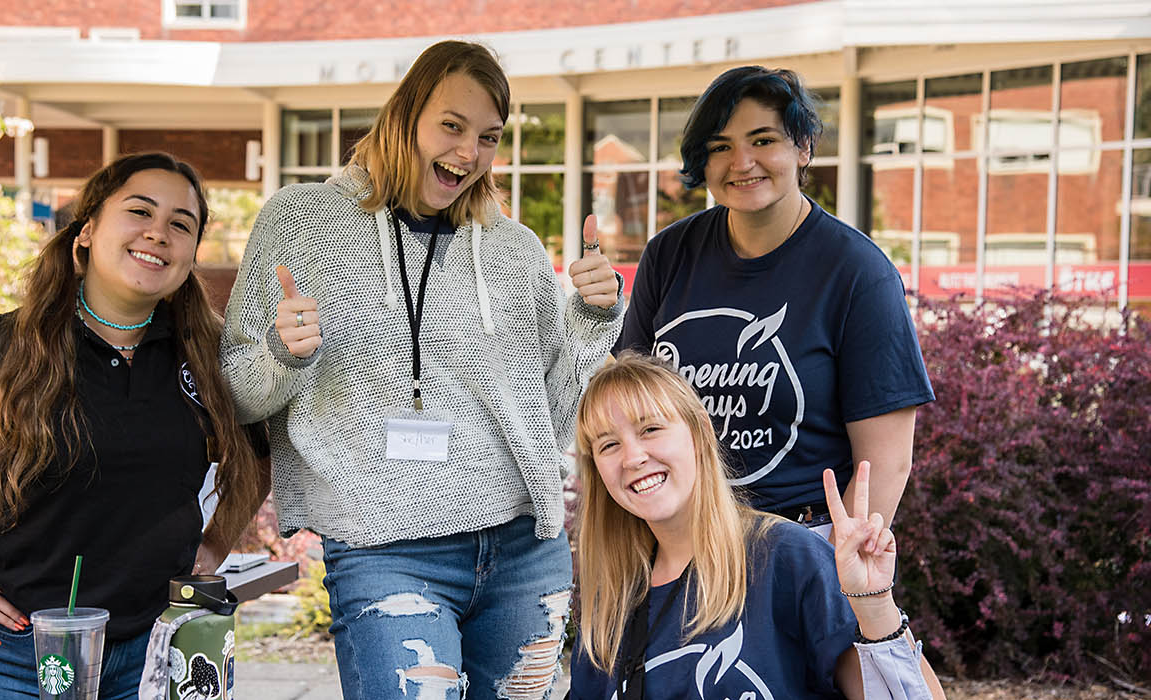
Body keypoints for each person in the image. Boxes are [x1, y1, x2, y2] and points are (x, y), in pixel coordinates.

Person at [220, 40, 623, 699]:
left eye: (489, 137)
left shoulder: (515, 252)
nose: (469, 154)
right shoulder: (303, 223)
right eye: (452, 126)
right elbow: (233, 392)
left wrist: (591, 323)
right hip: (387, 553)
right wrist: (280, 354)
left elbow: (553, 420)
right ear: (404, 115)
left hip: (523, 550)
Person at [0, 152, 270, 699]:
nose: (158, 233)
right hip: (14, 654)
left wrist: (214, 547)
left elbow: (257, 454)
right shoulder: (2, 347)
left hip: (160, 650)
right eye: (140, 212)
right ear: (87, 230)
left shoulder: (211, 359)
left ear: (190, 255)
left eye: (180, 225)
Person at [614, 66, 933, 533]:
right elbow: (628, 407)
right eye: (720, 147)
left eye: (763, 141)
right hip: (681, 537)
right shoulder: (669, 253)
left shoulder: (857, 273)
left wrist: (830, 575)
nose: (741, 162)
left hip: (802, 538)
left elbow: (885, 466)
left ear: (803, 147)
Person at [569, 354, 945, 699]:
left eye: (650, 429)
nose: (633, 457)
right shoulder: (611, 602)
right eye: (608, 445)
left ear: (699, 430)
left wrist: (876, 607)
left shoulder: (786, 557)